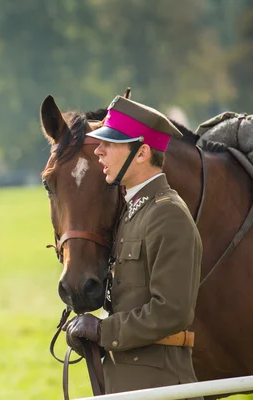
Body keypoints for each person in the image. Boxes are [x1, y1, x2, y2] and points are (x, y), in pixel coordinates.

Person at [64, 96, 202, 396]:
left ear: (141, 153)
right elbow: (131, 302)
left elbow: (172, 312)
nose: (98, 151)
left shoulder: (167, 214)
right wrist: (95, 332)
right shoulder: (134, 210)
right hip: (129, 382)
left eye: (110, 144)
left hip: (161, 387)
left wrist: (104, 332)